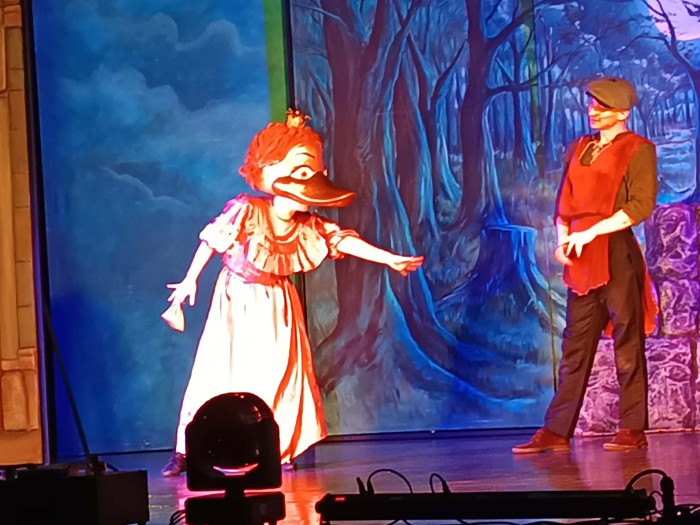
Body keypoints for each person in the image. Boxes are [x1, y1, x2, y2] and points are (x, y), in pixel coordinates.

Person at [160, 110, 424, 476]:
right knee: (218, 371)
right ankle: (188, 449)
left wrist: (390, 259)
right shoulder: (247, 210)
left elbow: (342, 241)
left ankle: (276, 447)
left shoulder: (307, 225)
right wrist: (190, 280)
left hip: (278, 304)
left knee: (279, 374)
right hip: (237, 300)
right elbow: (211, 240)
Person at [513, 77, 658, 454]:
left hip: (615, 251)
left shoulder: (638, 149)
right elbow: (565, 202)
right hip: (582, 258)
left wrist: (592, 232)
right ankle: (557, 429)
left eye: (602, 106)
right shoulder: (579, 147)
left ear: (622, 113)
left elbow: (640, 206)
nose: (593, 111)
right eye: (592, 104)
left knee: (627, 341)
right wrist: (564, 240)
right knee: (575, 345)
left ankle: (632, 427)